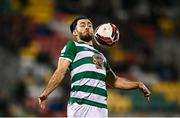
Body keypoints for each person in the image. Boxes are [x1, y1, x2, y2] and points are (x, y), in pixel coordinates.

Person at [38, 16, 151, 117]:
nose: (87, 27)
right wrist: (45, 93)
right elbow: (61, 71)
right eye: (82, 25)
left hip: (101, 108)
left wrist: (138, 84)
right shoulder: (72, 46)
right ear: (75, 32)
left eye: (90, 25)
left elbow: (114, 81)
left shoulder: (101, 56)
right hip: (81, 106)